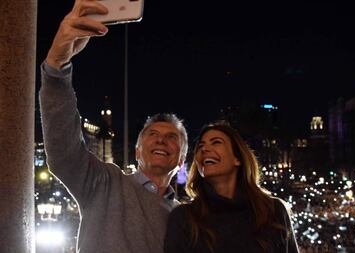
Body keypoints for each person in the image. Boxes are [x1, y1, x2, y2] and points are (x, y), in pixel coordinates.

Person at [39, 1, 188, 252]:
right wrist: (56, 66)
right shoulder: (104, 183)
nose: (161, 140)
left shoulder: (185, 219)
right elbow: (64, 150)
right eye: (152, 134)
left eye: (172, 137)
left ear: (182, 158)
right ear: (138, 151)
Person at [164, 121, 299, 253]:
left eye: (216, 142)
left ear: (237, 158)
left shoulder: (274, 211)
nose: (204, 149)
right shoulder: (184, 218)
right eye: (200, 146)